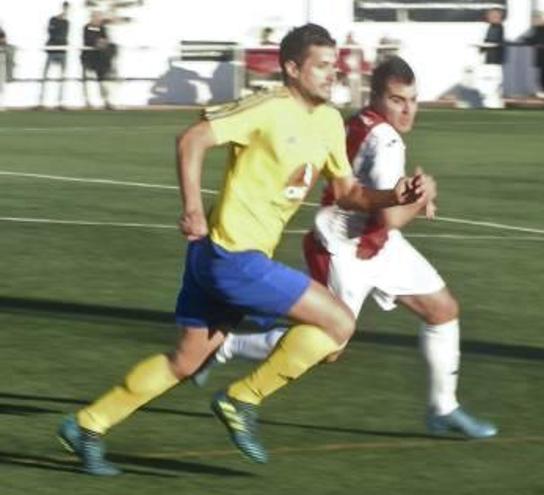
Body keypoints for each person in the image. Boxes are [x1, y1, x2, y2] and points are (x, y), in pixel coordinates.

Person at [56, 23, 435, 476]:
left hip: (218, 257)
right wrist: (193, 208)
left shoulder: (330, 121)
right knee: (338, 323)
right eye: (320, 66)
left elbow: (349, 193)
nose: (331, 74)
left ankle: (88, 424)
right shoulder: (268, 106)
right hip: (233, 257)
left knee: (186, 359)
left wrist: (395, 195)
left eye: (334, 65)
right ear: (292, 69)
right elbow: (191, 139)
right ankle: (242, 399)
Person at [192, 56, 497, 440]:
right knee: (329, 345)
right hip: (345, 251)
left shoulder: (359, 122)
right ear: (377, 96)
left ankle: (444, 408)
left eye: (413, 100)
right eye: (397, 100)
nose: (408, 109)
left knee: (442, 309)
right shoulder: (384, 140)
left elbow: (375, 195)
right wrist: (422, 198)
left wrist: (412, 195)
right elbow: (391, 218)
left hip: (377, 245)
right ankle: (224, 348)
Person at [81, 11, 114, 109]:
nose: (97, 19)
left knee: (102, 81)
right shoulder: (87, 27)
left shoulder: (102, 28)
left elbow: (106, 40)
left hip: (99, 59)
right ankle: (87, 101)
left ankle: (106, 101)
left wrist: (101, 42)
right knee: (87, 80)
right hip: (88, 58)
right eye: (95, 17)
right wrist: (98, 42)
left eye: (99, 17)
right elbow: (89, 40)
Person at [40, 1, 70, 109]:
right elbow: (51, 32)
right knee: (45, 76)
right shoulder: (53, 19)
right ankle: (41, 101)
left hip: (62, 51)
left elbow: (63, 36)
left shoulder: (67, 22)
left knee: (62, 77)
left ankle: (60, 102)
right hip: (52, 51)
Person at [477, 8, 505, 108]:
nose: (489, 17)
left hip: (495, 57)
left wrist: (483, 45)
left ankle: (496, 101)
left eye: (492, 15)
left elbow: (493, 41)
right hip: (489, 57)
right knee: (489, 79)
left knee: (495, 79)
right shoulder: (490, 27)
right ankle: (490, 100)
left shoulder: (498, 27)